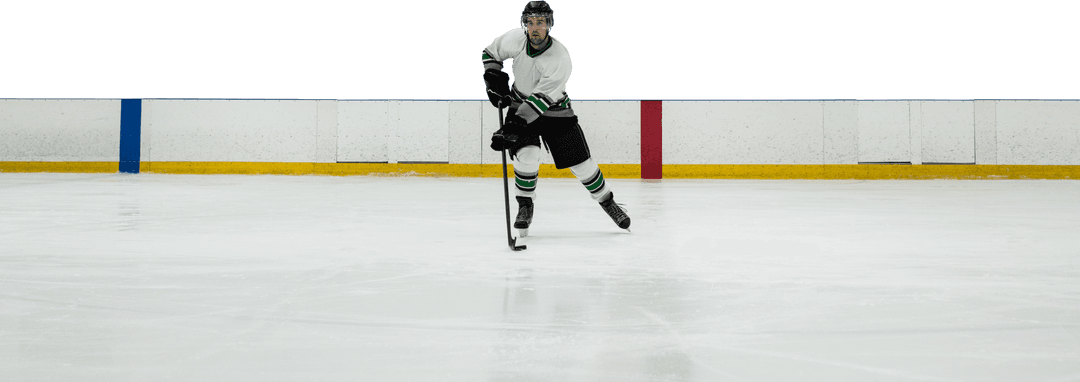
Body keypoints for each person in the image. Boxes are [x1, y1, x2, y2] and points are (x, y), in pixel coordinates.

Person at [481, 0, 630, 233]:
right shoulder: (514, 39)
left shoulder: (560, 58)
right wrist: (493, 77)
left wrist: (513, 125)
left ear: (549, 24)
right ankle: (525, 205)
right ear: (524, 24)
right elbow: (490, 53)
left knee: (583, 165)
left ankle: (608, 202)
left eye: (541, 22)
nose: (535, 28)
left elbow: (540, 101)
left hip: (555, 111)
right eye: (530, 22)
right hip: (521, 104)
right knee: (527, 155)